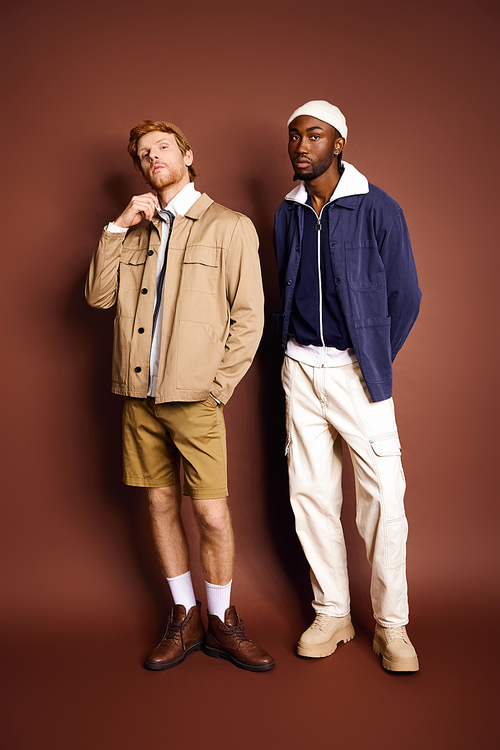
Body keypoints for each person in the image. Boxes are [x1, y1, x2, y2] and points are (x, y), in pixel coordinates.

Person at [86, 119, 274, 672]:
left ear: (187, 155)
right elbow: (98, 297)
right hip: (137, 397)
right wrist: (118, 225)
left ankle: (222, 620)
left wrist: (217, 389)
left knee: (212, 515)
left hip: (195, 400)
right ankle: (184, 615)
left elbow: (250, 317)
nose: (152, 158)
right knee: (160, 504)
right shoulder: (135, 230)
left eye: (162, 148)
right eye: (143, 154)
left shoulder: (229, 225)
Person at [273, 101, 421, 672]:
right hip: (298, 369)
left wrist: (372, 358)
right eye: (293, 136)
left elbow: (405, 297)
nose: (300, 145)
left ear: (339, 144)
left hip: (358, 372)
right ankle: (332, 612)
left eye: (313, 135)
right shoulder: (287, 212)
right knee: (309, 493)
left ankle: (391, 627)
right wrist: (292, 356)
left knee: (383, 498)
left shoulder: (378, 207)